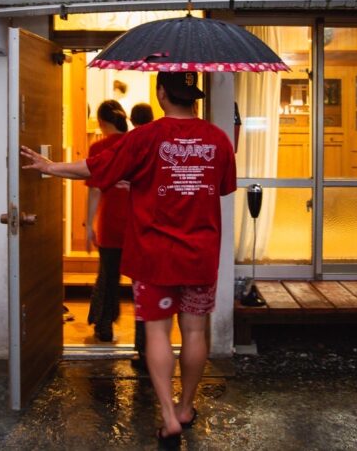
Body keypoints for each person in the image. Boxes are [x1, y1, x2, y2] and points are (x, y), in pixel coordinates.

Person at [21, 71, 236, 446]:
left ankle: (168, 416)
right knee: (195, 332)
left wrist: (49, 167)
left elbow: (96, 169)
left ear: (162, 93)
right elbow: (223, 187)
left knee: (157, 332)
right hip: (200, 255)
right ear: (195, 98)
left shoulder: (144, 137)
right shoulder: (218, 139)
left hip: (154, 256)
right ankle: (186, 407)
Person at [85, 100, 130, 342]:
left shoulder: (99, 148)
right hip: (138, 222)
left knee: (108, 275)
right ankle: (145, 338)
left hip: (111, 221)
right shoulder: (138, 143)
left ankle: (104, 325)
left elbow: (94, 190)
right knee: (142, 281)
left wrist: (88, 224)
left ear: (102, 122)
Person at [127, 101, 155, 367]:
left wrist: (51, 168)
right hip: (167, 236)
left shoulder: (134, 141)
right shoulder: (164, 140)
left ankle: (143, 350)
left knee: (144, 297)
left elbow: (99, 169)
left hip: (138, 229)